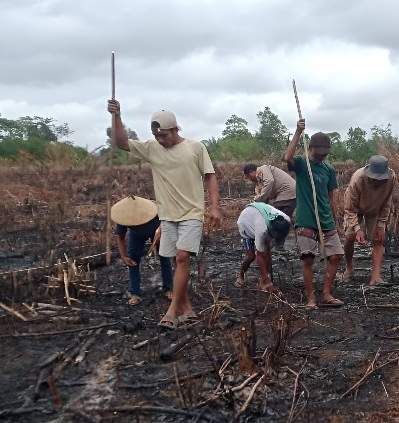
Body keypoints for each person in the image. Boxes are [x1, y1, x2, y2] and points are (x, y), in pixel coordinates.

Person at [107, 99, 222, 329]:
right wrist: (117, 116)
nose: (161, 139)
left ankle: (172, 311)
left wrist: (214, 207)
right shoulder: (151, 148)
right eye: (157, 135)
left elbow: (210, 176)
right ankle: (187, 308)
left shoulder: (195, 148)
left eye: (164, 135)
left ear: (176, 130)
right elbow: (121, 143)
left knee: (182, 258)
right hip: (167, 216)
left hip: (191, 212)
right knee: (175, 260)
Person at [284, 119, 344, 309]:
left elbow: (331, 196)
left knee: (335, 256)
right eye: (318, 154)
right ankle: (311, 299)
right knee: (308, 259)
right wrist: (297, 132)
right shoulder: (302, 164)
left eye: (324, 155)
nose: (321, 158)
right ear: (310, 148)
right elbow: (287, 158)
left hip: (326, 219)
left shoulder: (328, 169)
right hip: (306, 219)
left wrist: (336, 219)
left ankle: (326, 293)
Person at [342, 155, 396, 286]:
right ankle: (349, 268)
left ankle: (375, 277)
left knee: (379, 239)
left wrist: (381, 224)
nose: (378, 182)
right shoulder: (358, 179)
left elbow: (387, 201)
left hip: (375, 209)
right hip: (356, 209)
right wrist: (357, 228)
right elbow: (349, 208)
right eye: (375, 179)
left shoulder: (391, 177)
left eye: (381, 179)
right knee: (350, 237)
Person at [111, 195, 174, 305]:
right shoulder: (123, 217)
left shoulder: (154, 209)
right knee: (132, 261)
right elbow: (120, 237)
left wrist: (162, 232)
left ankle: (168, 289)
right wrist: (123, 256)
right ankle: (135, 293)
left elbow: (168, 220)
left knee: (165, 257)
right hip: (136, 235)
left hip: (157, 230)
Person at [234, 202, 291, 292]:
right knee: (251, 256)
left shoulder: (286, 220)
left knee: (267, 250)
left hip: (258, 215)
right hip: (246, 222)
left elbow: (267, 249)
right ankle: (241, 275)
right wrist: (266, 279)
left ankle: (262, 281)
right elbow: (259, 255)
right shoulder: (262, 229)